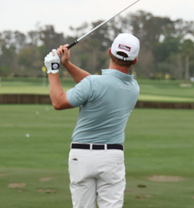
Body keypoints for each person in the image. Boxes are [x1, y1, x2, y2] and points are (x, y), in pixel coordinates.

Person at [44, 33, 140, 208]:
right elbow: (94, 84)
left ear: (110, 51)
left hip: (81, 156)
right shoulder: (133, 87)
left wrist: (53, 69)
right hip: (112, 156)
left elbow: (58, 102)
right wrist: (66, 64)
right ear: (134, 61)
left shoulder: (94, 84)